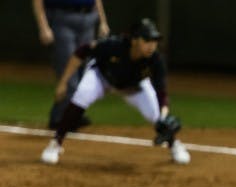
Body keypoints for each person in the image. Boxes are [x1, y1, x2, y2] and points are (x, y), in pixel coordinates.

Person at [40, 18, 191, 166]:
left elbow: (161, 91)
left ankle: (174, 145)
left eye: (155, 40)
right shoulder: (113, 45)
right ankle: (56, 143)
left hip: (132, 86)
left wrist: (163, 116)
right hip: (102, 77)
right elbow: (82, 51)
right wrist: (63, 82)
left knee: (156, 116)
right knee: (82, 96)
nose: (152, 45)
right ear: (134, 40)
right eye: (147, 40)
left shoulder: (156, 59)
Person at [30, 0, 111, 130]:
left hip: (88, 20)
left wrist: (102, 21)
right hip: (62, 20)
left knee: (85, 73)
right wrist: (43, 26)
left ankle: (63, 115)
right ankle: (65, 118)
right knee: (68, 71)